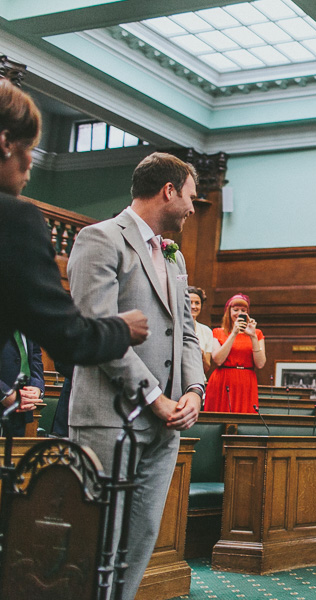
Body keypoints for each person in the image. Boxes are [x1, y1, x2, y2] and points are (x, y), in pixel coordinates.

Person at [67, 151, 205, 600]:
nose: (191, 206)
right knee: (98, 537)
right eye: (189, 196)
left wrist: (193, 390)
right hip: (110, 418)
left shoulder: (175, 258)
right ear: (169, 191)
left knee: (142, 535)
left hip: (165, 425)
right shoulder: (100, 239)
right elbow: (97, 328)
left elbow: (185, 333)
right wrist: (152, 396)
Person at [0, 80, 147, 365]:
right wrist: (124, 328)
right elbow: (68, 338)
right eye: (28, 146)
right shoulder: (13, 219)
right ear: (5, 142)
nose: (30, 160)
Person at [204, 294, 265, 413]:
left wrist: (252, 336)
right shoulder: (217, 332)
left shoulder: (257, 333)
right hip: (223, 380)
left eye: (243, 310)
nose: (239, 313)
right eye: (235, 310)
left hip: (246, 381)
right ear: (228, 312)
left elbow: (261, 363)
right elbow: (218, 360)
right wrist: (234, 334)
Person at [0, 333, 44, 436]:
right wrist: (4, 393)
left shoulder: (28, 318)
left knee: (14, 451)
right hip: (6, 400)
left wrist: (36, 387)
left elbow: (35, 353)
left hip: (21, 410)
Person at [188, 286, 215, 375]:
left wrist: (202, 355)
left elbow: (206, 368)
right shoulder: (174, 328)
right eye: (189, 302)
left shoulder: (206, 331)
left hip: (197, 380)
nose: (193, 306)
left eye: (197, 303)